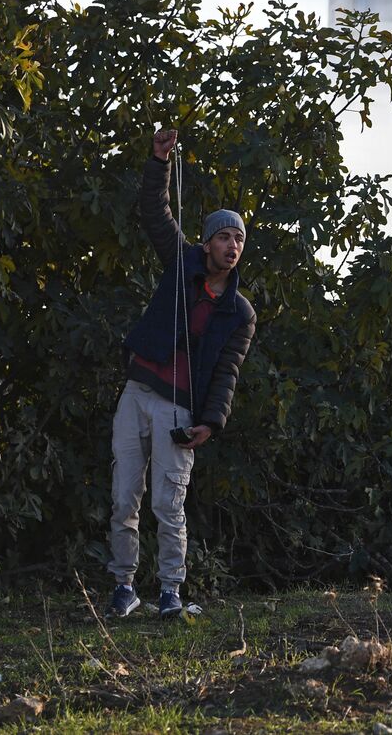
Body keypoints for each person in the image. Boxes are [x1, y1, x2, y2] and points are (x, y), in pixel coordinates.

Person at [105, 127, 256, 618]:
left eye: (238, 238)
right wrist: (159, 160)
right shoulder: (181, 261)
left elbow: (227, 373)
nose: (231, 245)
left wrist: (210, 423)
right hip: (138, 391)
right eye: (223, 236)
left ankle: (171, 592)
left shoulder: (240, 312)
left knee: (168, 506)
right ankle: (124, 589)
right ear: (208, 242)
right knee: (124, 497)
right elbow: (155, 211)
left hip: (180, 406)